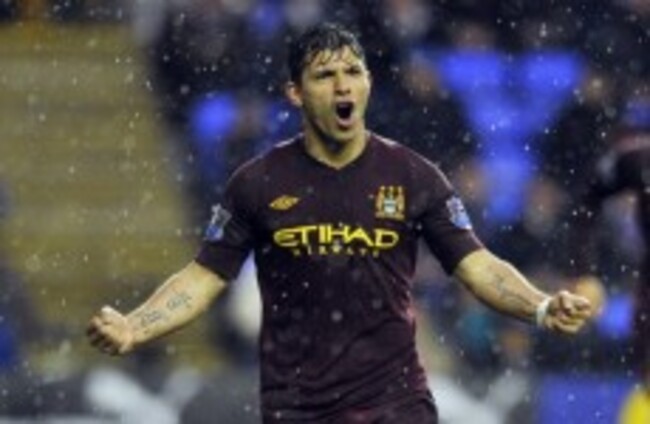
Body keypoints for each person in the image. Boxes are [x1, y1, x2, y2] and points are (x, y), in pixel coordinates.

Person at [87, 23, 593, 423]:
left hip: (396, 402)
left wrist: (540, 306)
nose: (342, 84)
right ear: (295, 93)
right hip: (297, 407)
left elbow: (476, 265)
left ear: (368, 82)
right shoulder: (257, 183)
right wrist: (135, 326)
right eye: (324, 75)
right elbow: (204, 277)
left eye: (353, 71)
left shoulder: (413, 175)